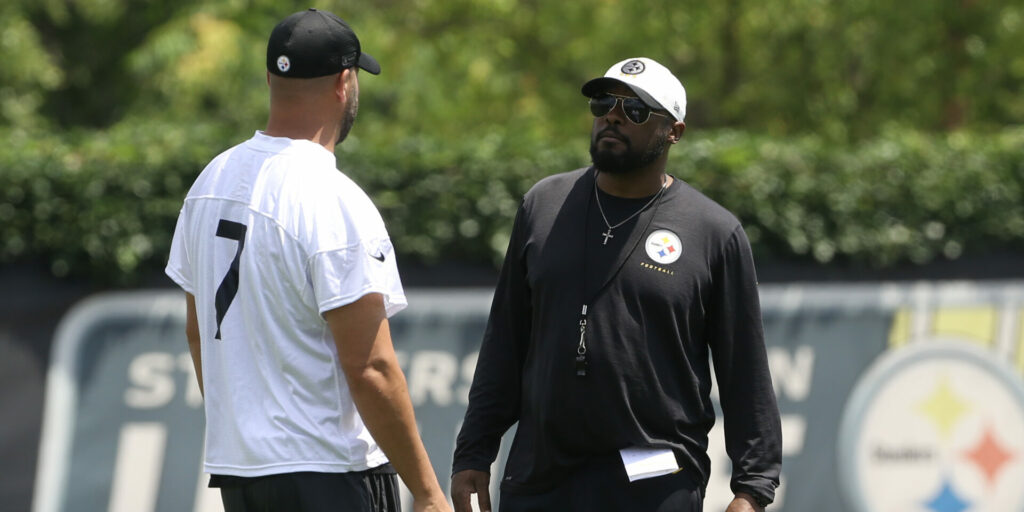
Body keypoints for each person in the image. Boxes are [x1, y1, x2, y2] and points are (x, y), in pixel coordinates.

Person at [450, 57, 782, 512]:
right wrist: (474, 450)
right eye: (605, 102)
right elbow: (504, 341)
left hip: (654, 477)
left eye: (636, 110)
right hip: (541, 476)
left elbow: (745, 369)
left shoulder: (713, 231)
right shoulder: (544, 204)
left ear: (674, 132)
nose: (613, 115)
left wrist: (752, 489)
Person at [165, 9, 450, 512]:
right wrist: (428, 495)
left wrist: (246, 432)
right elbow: (371, 367)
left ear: (270, 77)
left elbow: (197, 331)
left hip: (242, 474)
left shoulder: (210, 182)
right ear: (344, 82)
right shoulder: (334, 198)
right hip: (331, 473)